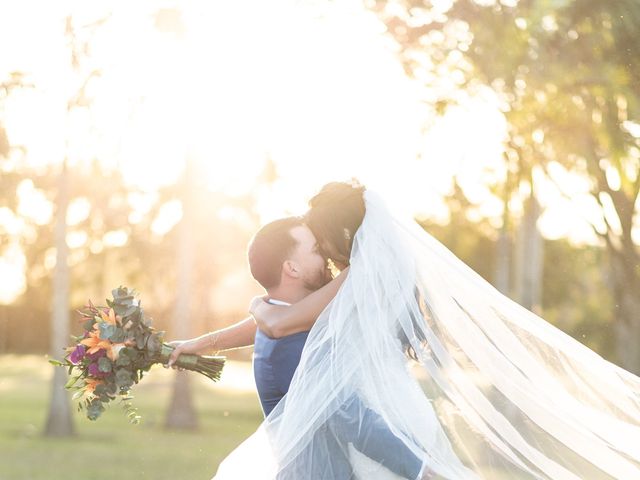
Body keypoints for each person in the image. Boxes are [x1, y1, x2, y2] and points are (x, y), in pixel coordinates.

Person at [215, 180, 640, 479]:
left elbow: (285, 323)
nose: (323, 253)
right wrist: (231, 327)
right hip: (402, 412)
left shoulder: (356, 284)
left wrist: (259, 309)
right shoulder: (374, 277)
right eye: (314, 248)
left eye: (321, 241)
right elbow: (291, 319)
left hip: (387, 425)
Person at [167, 215, 433, 479]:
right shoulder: (287, 346)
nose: (326, 257)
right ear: (291, 268)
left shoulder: (279, 321)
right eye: (317, 250)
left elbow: (281, 318)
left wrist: (205, 342)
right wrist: (423, 471)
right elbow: (351, 419)